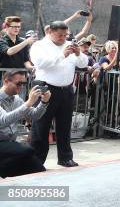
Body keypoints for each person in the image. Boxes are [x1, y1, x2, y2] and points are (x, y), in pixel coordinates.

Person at [29, 20, 88, 167]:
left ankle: (65, 157)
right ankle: (36, 161)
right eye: (60, 35)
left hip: (66, 89)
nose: (63, 38)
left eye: (65, 35)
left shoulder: (69, 44)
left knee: (65, 125)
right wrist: (62, 55)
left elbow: (83, 64)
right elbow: (41, 63)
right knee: (41, 126)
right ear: (50, 32)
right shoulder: (39, 46)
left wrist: (78, 53)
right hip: (45, 88)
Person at [0, 70, 50, 178]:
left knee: (38, 168)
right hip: (3, 144)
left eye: (24, 84)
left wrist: (44, 102)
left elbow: (34, 115)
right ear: (6, 81)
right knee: (27, 150)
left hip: (10, 144)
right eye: (18, 83)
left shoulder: (16, 99)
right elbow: (3, 120)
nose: (21, 87)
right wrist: (28, 103)